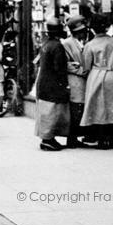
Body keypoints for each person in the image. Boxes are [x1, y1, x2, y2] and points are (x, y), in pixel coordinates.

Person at [80, 14, 113, 149]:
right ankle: (112, 137)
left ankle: (101, 137)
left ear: (93, 28)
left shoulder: (90, 45)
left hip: (97, 75)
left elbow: (86, 66)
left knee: (99, 107)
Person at [35, 17, 70, 151]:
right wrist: (64, 84)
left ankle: (47, 138)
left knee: (46, 112)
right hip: (53, 84)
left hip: (44, 83)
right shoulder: (57, 46)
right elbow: (59, 68)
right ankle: (48, 139)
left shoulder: (46, 44)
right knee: (52, 112)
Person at [62, 15, 89, 148]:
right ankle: (71, 138)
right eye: (80, 31)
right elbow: (66, 64)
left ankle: (76, 136)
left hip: (84, 81)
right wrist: (79, 70)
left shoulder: (86, 42)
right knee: (75, 109)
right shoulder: (66, 44)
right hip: (75, 81)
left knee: (80, 108)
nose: (83, 33)